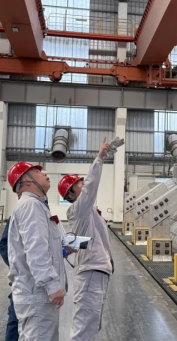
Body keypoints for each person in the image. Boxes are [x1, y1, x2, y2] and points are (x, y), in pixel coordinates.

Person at [58, 138, 114, 341]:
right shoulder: (78, 209)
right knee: (84, 329)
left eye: (81, 182)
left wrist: (69, 245)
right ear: (71, 194)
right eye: (79, 184)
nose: (83, 185)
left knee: (90, 326)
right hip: (91, 274)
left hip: (95, 272)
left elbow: (85, 241)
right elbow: (91, 186)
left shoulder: (86, 212)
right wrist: (99, 158)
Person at [7, 162, 66, 341]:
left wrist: (62, 250)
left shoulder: (36, 205)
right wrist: (52, 285)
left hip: (35, 294)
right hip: (38, 295)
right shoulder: (31, 205)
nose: (45, 174)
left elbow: (41, 246)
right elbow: (36, 250)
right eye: (36, 171)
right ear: (26, 180)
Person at [0, 219, 18, 341]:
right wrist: (18, 268)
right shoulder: (19, 214)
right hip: (22, 280)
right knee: (15, 321)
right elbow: (3, 245)